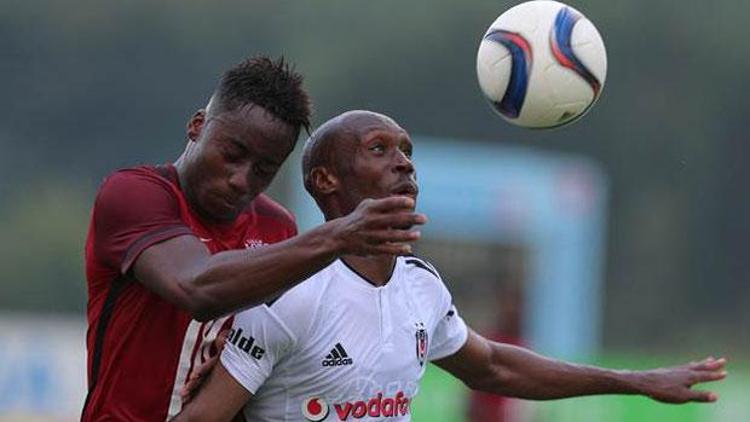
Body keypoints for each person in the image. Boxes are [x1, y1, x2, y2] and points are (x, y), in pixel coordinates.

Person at [174, 110, 727, 422]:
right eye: (379, 149)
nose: (404, 162)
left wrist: (632, 380)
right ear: (325, 181)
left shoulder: (421, 286)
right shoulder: (289, 294)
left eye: (407, 149)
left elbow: (494, 368)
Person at [82, 59, 426, 422]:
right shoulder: (134, 195)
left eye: (264, 169)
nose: (241, 179)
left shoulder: (276, 227)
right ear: (198, 126)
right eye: (232, 155)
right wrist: (341, 234)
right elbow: (198, 288)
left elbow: (279, 343)